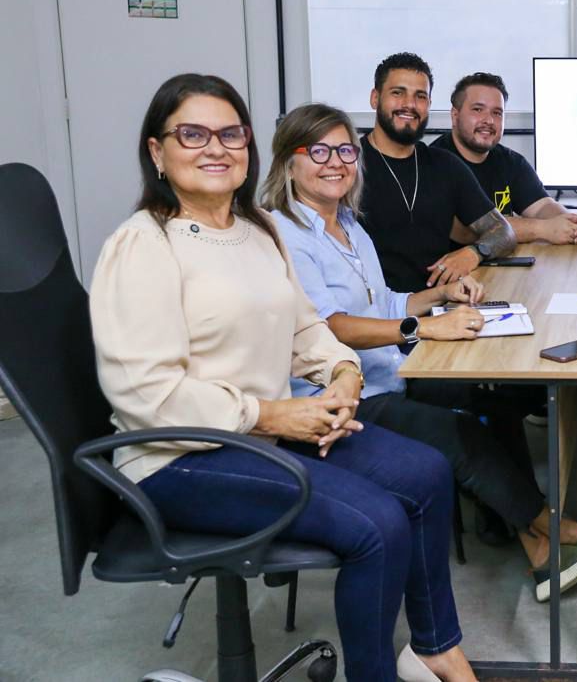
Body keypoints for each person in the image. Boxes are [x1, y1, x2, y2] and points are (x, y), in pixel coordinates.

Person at [90, 74, 476, 682]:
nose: (215, 148)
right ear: (157, 151)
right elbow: (148, 395)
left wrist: (343, 375)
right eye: (192, 134)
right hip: (178, 457)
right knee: (377, 524)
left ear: (248, 147)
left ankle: (434, 648)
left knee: (426, 473)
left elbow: (306, 329)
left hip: (263, 435)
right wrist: (272, 415)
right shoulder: (142, 245)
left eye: (230, 134)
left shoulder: (259, 231)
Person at [263, 103, 577, 601]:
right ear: (288, 162)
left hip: (388, 371)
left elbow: (385, 301)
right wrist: (425, 328)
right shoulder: (285, 235)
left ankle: (539, 544)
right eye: (319, 152)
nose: (336, 163)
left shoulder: (348, 224)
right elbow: (329, 326)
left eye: (345, 151)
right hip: (339, 397)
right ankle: (554, 529)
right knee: (459, 432)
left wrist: (440, 295)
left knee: (497, 399)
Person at [358, 52, 516, 293]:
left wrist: (474, 252)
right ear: (375, 98)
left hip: (443, 303)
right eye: (398, 93)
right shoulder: (347, 166)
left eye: (420, 96)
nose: (410, 104)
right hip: (375, 310)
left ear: (429, 104)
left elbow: (504, 231)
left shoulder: (445, 165)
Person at [432, 72, 577, 245]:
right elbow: (468, 231)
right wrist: (542, 229)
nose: (489, 120)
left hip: (502, 258)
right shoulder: (434, 163)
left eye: (497, 113)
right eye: (478, 109)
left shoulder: (511, 162)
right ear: (455, 116)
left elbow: (542, 206)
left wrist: (572, 223)